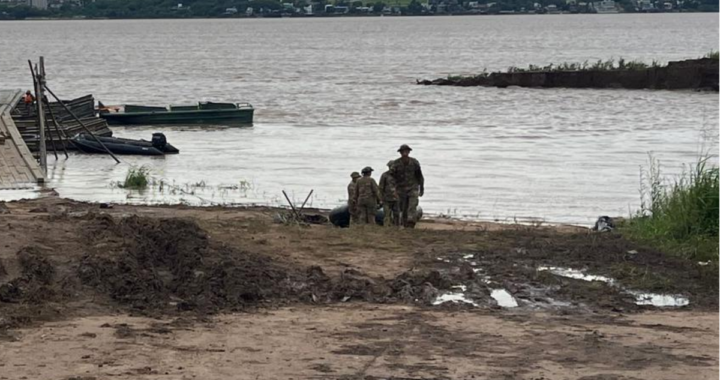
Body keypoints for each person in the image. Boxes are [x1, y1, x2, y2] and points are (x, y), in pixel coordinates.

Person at [390, 144, 424, 228]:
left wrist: (422, 188)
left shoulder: (414, 162)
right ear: (400, 153)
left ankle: (411, 222)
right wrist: (393, 189)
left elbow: (419, 175)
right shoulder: (396, 163)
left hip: (413, 188)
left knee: (412, 206)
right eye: (403, 152)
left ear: (409, 152)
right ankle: (405, 224)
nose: (405, 153)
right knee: (403, 208)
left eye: (406, 151)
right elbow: (391, 177)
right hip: (401, 189)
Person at [378, 160, 399, 226]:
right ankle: (386, 227)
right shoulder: (385, 175)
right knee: (387, 215)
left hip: (397, 198)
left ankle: (396, 226)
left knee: (397, 214)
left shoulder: (399, 175)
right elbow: (381, 187)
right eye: (391, 166)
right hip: (386, 198)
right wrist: (380, 199)